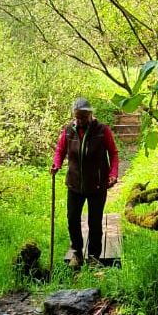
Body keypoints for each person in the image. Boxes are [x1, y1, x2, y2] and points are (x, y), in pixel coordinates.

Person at [50, 97, 119, 267]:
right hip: (74, 184)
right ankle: (77, 254)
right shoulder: (68, 131)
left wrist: (113, 173)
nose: (80, 120)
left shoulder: (102, 131)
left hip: (97, 184)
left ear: (90, 114)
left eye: (83, 116)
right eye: (77, 117)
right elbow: (60, 150)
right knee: (72, 219)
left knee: (95, 222)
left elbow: (114, 153)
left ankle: (94, 257)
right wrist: (56, 164)